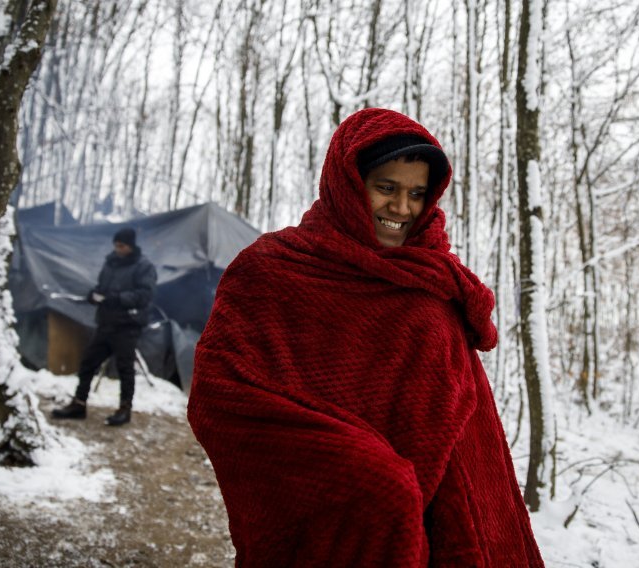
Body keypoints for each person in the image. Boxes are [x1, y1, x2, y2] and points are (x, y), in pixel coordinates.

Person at [187, 108, 544, 566]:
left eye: (417, 194)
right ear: (348, 183)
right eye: (386, 188)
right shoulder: (272, 269)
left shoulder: (433, 280)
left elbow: (464, 422)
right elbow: (219, 392)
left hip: (439, 515)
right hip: (331, 513)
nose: (402, 209)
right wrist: (363, 474)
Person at [52, 227, 157, 427]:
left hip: (127, 325)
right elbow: (102, 287)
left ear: (131, 245)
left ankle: (124, 409)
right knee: (87, 363)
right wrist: (94, 295)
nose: (118, 249)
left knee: (125, 369)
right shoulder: (110, 263)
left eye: (122, 245)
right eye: (116, 245)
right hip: (106, 323)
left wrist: (117, 299)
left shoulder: (144, 266)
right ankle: (78, 404)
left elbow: (145, 295)